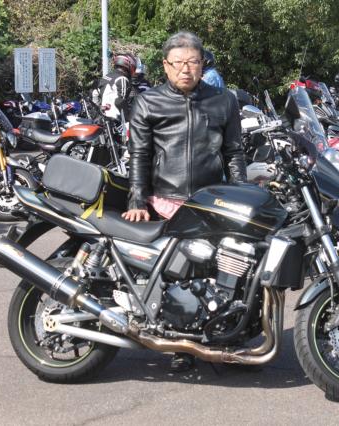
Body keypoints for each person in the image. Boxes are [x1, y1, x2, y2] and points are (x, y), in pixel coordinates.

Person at [122, 31, 246, 371]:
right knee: (178, 275)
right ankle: (181, 345)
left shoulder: (224, 100)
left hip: (212, 201)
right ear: (165, 65)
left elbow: (234, 153)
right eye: (178, 63)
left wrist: (243, 195)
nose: (185, 69)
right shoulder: (148, 102)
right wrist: (136, 200)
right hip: (165, 200)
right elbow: (139, 156)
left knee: (226, 269)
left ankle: (229, 337)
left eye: (192, 62)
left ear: (203, 63)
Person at [97, 53, 136, 120]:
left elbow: (96, 94)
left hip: (102, 116)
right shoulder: (122, 78)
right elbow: (120, 101)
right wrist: (129, 117)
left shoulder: (106, 76)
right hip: (115, 118)